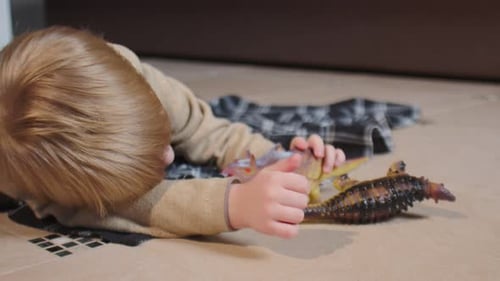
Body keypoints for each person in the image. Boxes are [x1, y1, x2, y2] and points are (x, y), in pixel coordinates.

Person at [0, 26, 346, 239]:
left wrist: (272, 159)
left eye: (162, 137)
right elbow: (134, 208)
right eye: (148, 163)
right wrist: (234, 204)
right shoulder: (35, 180)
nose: (169, 156)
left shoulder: (134, 77)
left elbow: (207, 131)